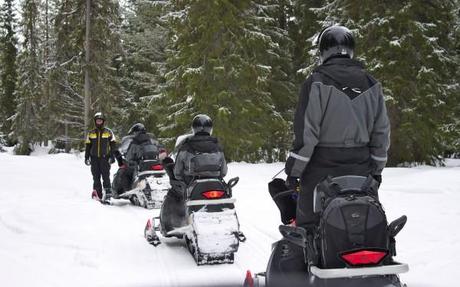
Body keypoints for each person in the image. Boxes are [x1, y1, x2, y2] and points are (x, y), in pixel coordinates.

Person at [284, 25, 391, 229]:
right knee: (366, 221)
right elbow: (381, 134)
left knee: (308, 229)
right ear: (351, 50)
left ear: (324, 51)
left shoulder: (315, 83)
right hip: (361, 170)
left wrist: (294, 171)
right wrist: (376, 170)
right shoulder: (371, 84)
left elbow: (308, 135)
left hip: (321, 171)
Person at [161, 114, 227, 233]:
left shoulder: (186, 146)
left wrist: (183, 179)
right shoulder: (217, 146)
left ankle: (169, 225)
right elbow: (224, 171)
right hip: (216, 185)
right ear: (210, 129)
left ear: (194, 129)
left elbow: (177, 173)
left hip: (192, 186)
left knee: (173, 194)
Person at [112, 123, 166, 197]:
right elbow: (160, 149)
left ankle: (122, 191)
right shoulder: (151, 140)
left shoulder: (135, 142)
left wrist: (125, 157)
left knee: (123, 170)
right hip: (155, 163)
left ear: (136, 132)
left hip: (140, 165)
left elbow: (129, 157)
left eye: (134, 132)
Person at [85, 112, 123, 202]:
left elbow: (113, 146)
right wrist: (86, 157)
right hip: (94, 158)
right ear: (95, 121)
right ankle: (97, 193)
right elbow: (88, 146)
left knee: (106, 176)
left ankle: (108, 194)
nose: (99, 122)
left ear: (103, 122)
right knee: (96, 176)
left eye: (100, 120)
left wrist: (112, 156)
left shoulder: (108, 132)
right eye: (97, 120)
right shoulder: (91, 133)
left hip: (105, 158)